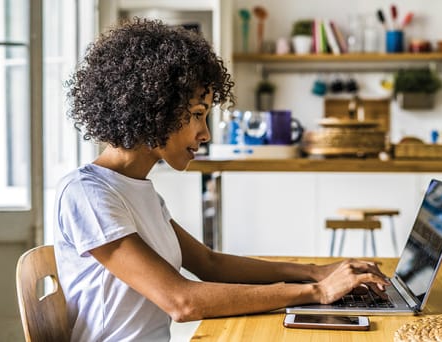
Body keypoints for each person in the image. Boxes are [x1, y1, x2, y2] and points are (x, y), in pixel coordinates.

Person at [54, 18, 389, 341]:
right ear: (154, 108)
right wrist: (316, 292)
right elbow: (181, 301)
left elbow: (209, 264)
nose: (205, 133)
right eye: (198, 115)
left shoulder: (142, 192)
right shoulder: (88, 194)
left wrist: (317, 272)